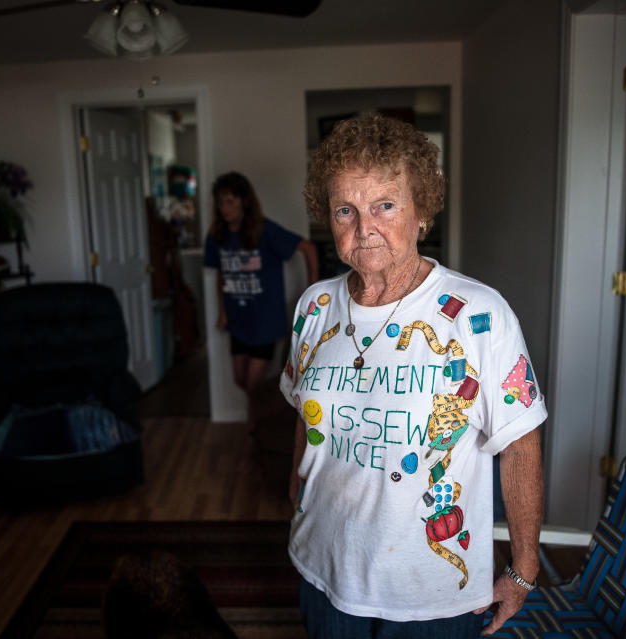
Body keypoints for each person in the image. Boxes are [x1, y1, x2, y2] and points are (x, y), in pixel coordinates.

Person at [280, 114, 545, 638]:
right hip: (322, 564)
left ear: (420, 210)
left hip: (430, 590)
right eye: (345, 210)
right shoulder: (314, 307)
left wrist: (524, 568)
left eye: (384, 205)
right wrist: (295, 497)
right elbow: (304, 417)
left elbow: (520, 444)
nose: (364, 227)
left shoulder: (478, 314)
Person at [204, 172, 318, 418]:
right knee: (240, 379)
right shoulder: (217, 236)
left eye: (230, 201)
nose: (224, 208)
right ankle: (261, 421)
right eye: (221, 202)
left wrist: (313, 290)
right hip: (237, 320)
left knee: (253, 383)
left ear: (244, 201)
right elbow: (222, 275)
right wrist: (223, 313)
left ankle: (255, 429)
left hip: (265, 320)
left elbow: (307, 249)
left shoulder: (264, 231)